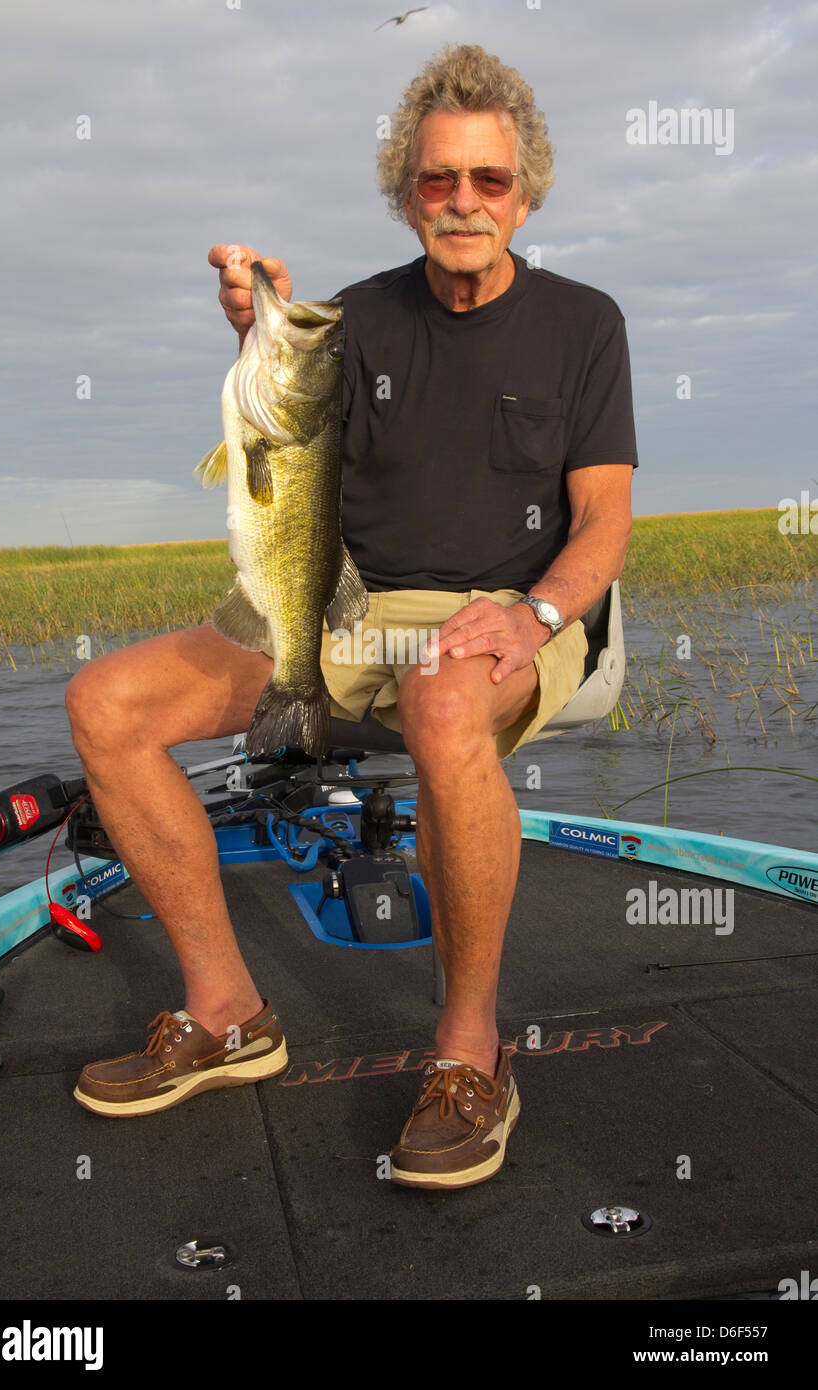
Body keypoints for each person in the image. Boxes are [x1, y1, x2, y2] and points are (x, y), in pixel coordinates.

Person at [66, 44, 637, 1190]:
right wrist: (252, 316)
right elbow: (282, 415)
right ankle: (228, 1012)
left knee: (438, 695)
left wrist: (528, 618)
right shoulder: (351, 321)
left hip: (515, 617)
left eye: (486, 180)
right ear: (405, 190)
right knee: (105, 701)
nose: (461, 202)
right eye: (436, 180)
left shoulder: (583, 323)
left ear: (523, 192)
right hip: (345, 613)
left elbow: (603, 525)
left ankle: (471, 1052)